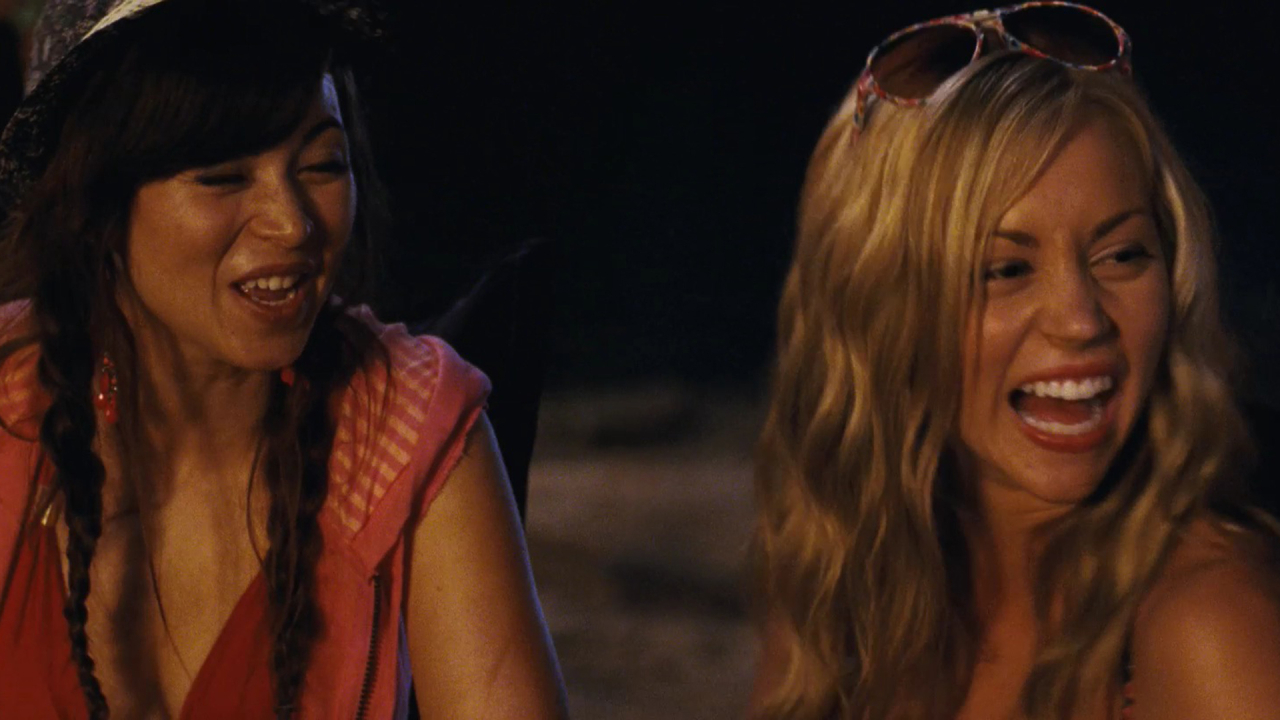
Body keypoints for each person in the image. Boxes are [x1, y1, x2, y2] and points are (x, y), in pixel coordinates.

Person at [0, 0, 567, 718]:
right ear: (96, 203)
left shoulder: (407, 427)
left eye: (322, 165)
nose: (293, 223)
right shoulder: (11, 411)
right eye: (224, 176)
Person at [748, 4, 1280, 719]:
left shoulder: (1210, 629)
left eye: (1121, 255)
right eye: (1005, 269)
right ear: (878, 305)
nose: (1081, 320)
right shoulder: (843, 576)